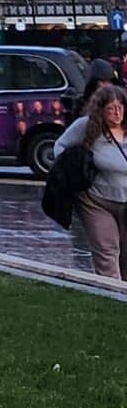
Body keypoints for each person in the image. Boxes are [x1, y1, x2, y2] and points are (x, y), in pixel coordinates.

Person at [55, 83, 127, 279]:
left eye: (120, 107)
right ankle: (111, 292)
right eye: (111, 108)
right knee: (106, 249)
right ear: (100, 110)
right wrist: (72, 170)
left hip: (125, 199)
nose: (117, 113)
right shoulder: (86, 126)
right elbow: (60, 146)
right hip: (96, 200)